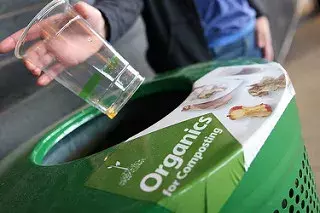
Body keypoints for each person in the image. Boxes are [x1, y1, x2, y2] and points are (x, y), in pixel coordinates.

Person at [0, 0, 273, 86]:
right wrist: (103, 21)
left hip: (249, 35)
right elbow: (124, 3)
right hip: (196, 58)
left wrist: (258, 12)